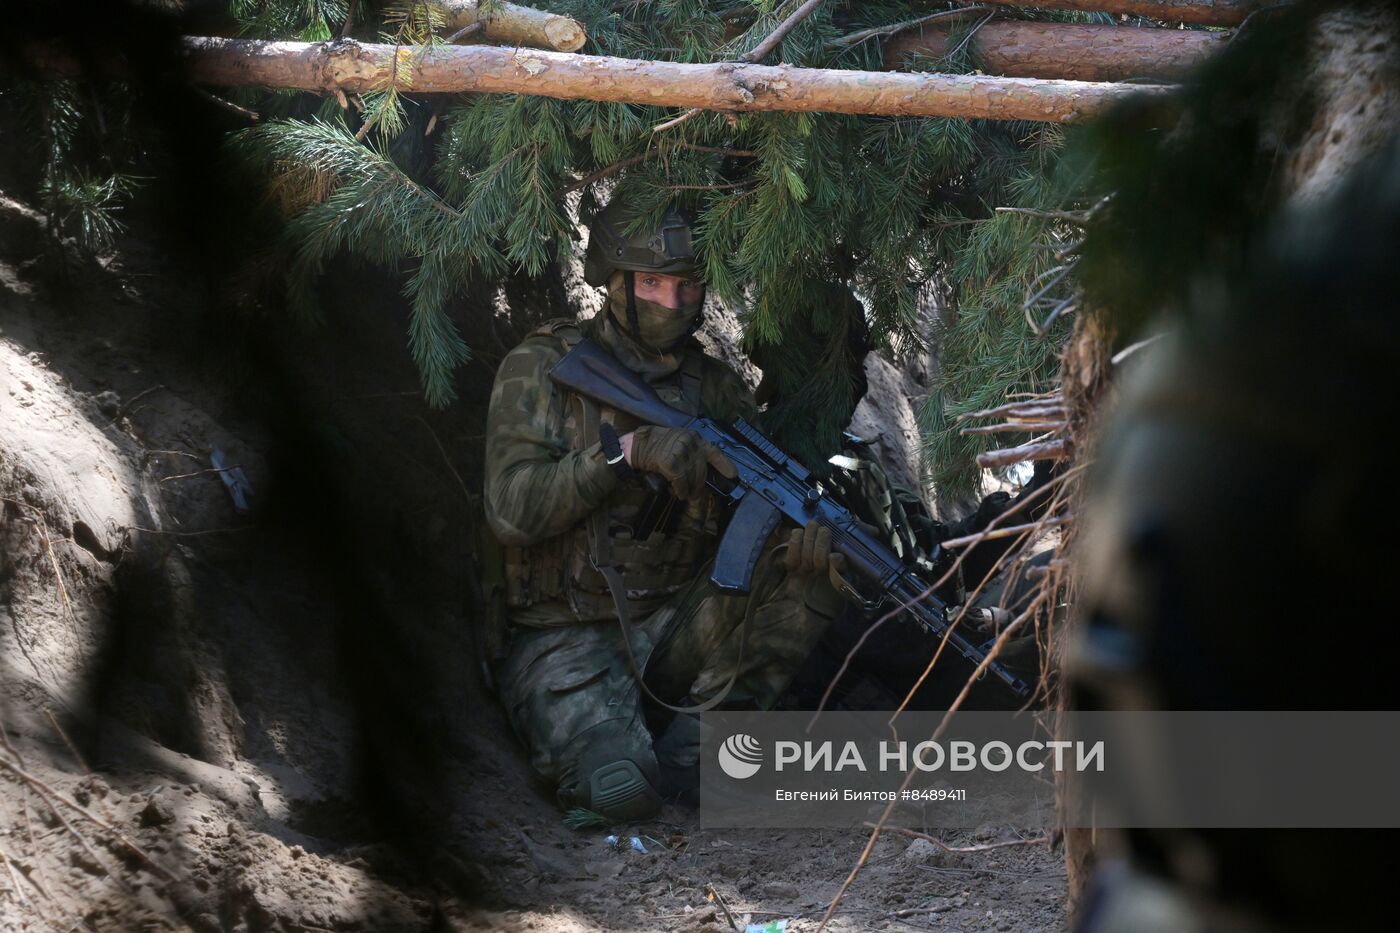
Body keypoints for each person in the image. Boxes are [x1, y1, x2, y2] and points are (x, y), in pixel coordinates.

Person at [481, 200, 850, 821]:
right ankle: (632, 752)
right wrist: (624, 455)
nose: (671, 304)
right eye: (651, 283)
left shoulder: (716, 389)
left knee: (813, 566)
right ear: (614, 283)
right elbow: (511, 512)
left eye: (686, 287)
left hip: (676, 628)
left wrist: (797, 545)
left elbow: (749, 533)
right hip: (564, 636)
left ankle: (705, 748)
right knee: (617, 789)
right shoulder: (547, 369)